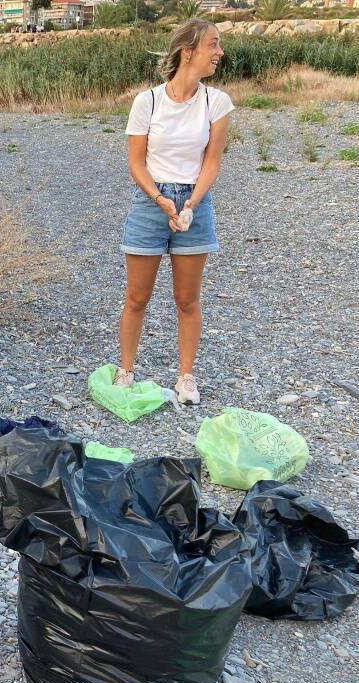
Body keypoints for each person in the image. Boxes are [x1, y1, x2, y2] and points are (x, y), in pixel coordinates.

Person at [116, 18, 232, 405]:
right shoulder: (146, 101)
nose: (220, 52)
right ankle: (125, 370)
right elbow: (136, 163)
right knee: (136, 297)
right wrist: (159, 199)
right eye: (213, 45)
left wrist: (191, 204)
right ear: (189, 52)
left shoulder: (217, 103)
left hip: (195, 203)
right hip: (151, 203)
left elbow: (212, 163)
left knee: (187, 299)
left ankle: (186, 377)